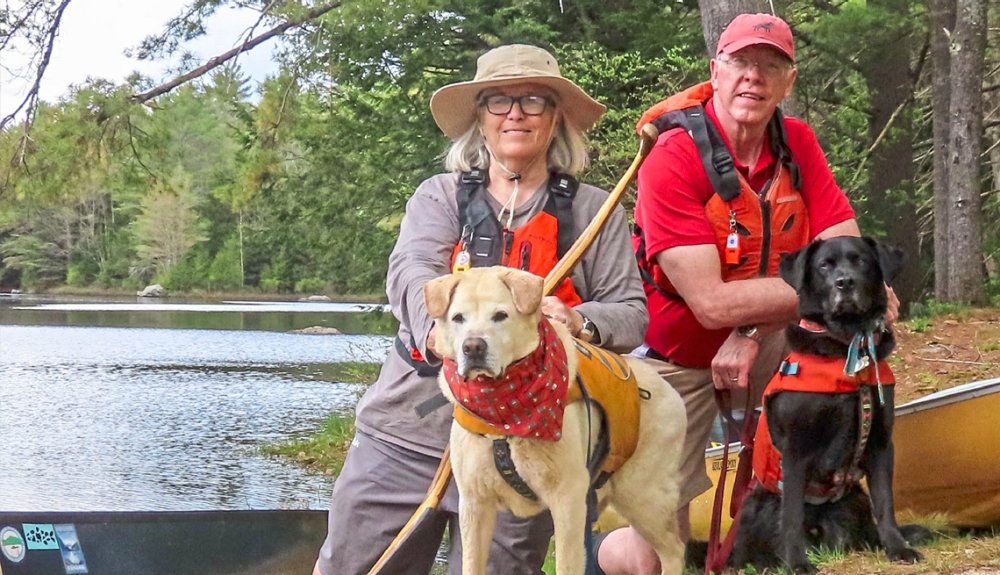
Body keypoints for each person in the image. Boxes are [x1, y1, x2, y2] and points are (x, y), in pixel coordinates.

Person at [312, 44, 648, 575]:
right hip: (409, 431)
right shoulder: (438, 197)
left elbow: (631, 312)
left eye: (533, 100)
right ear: (480, 116)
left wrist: (577, 321)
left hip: (528, 450)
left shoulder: (594, 211)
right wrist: (446, 342)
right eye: (498, 101)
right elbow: (411, 276)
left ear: (555, 116)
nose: (515, 114)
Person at [593, 13, 898, 574]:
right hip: (678, 360)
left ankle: (783, 526)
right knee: (651, 554)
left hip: (776, 343)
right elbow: (710, 303)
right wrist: (835, 293)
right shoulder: (675, 156)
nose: (753, 79)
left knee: (854, 348)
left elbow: (844, 247)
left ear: (789, 81)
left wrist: (857, 290)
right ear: (716, 71)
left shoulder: (797, 142)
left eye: (771, 66)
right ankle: (603, 556)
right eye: (740, 63)